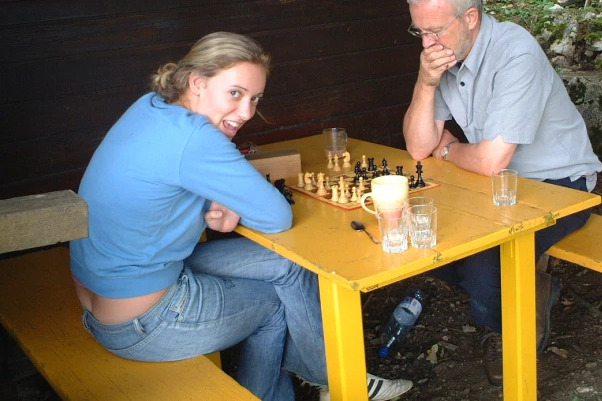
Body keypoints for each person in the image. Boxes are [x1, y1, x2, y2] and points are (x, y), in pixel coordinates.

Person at [70, 32, 412, 401]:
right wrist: (224, 199)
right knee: (274, 305)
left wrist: (216, 199)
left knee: (291, 266)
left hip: (109, 292)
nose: (247, 112)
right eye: (235, 93)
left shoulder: (152, 107)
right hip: (140, 322)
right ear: (197, 82)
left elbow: (163, 181)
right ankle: (341, 384)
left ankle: (329, 377)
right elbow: (277, 216)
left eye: (255, 98)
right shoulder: (196, 137)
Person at [402, 0, 602, 385]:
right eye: (419, 31)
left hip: (559, 185)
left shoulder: (516, 51)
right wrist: (424, 84)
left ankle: (514, 327)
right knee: (420, 236)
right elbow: (420, 147)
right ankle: (518, 292)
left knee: (482, 265)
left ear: (470, 18)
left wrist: (452, 148)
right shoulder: (445, 57)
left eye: (435, 30)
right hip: (495, 186)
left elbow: (491, 159)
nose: (427, 43)